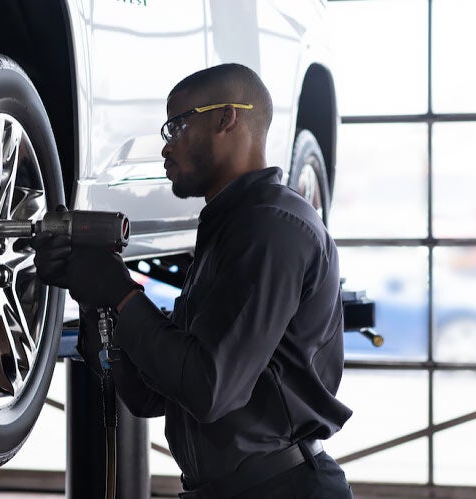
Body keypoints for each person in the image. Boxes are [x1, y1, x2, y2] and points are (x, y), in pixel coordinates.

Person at [33, 63, 354, 498]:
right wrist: (93, 300)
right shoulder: (227, 231)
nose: (166, 148)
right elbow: (150, 397)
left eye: (177, 127)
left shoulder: (272, 229)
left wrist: (121, 293)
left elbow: (209, 388)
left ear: (227, 118)